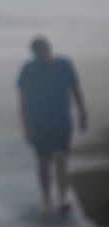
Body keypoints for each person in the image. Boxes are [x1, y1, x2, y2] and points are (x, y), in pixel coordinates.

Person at [18, 37, 87, 214]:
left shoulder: (64, 65)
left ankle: (62, 197)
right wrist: (25, 127)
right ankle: (47, 198)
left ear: (50, 49)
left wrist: (82, 113)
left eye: (45, 51)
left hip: (61, 121)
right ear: (34, 53)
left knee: (61, 160)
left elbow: (76, 90)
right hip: (39, 122)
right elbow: (23, 100)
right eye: (39, 53)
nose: (43, 55)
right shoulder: (28, 69)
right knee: (43, 162)